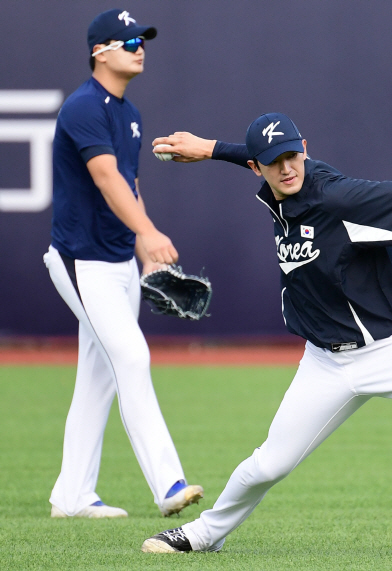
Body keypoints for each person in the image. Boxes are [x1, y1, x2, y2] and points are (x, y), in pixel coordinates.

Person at [141, 114, 392, 559]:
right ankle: (204, 534)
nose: (287, 167)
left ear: (306, 149)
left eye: (293, 155)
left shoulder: (338, 196)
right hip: (325, 362)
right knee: (269, 463)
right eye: (274, 162)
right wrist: (211, 148)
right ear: (257, 168)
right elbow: (260, 157)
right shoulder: (278, 184)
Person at [43, 8, 203, 519]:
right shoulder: (83, 108)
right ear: (99, 51)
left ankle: (72, 495)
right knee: (131, 358)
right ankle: (169, 484)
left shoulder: (128, 114)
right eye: (128, 40)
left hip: (117, 261)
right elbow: (106, 178)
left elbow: (130, 185)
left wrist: (143, 251)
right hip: (80, 261)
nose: (139, 47)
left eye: (142, 40)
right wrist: (150, 232)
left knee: (99, 375)